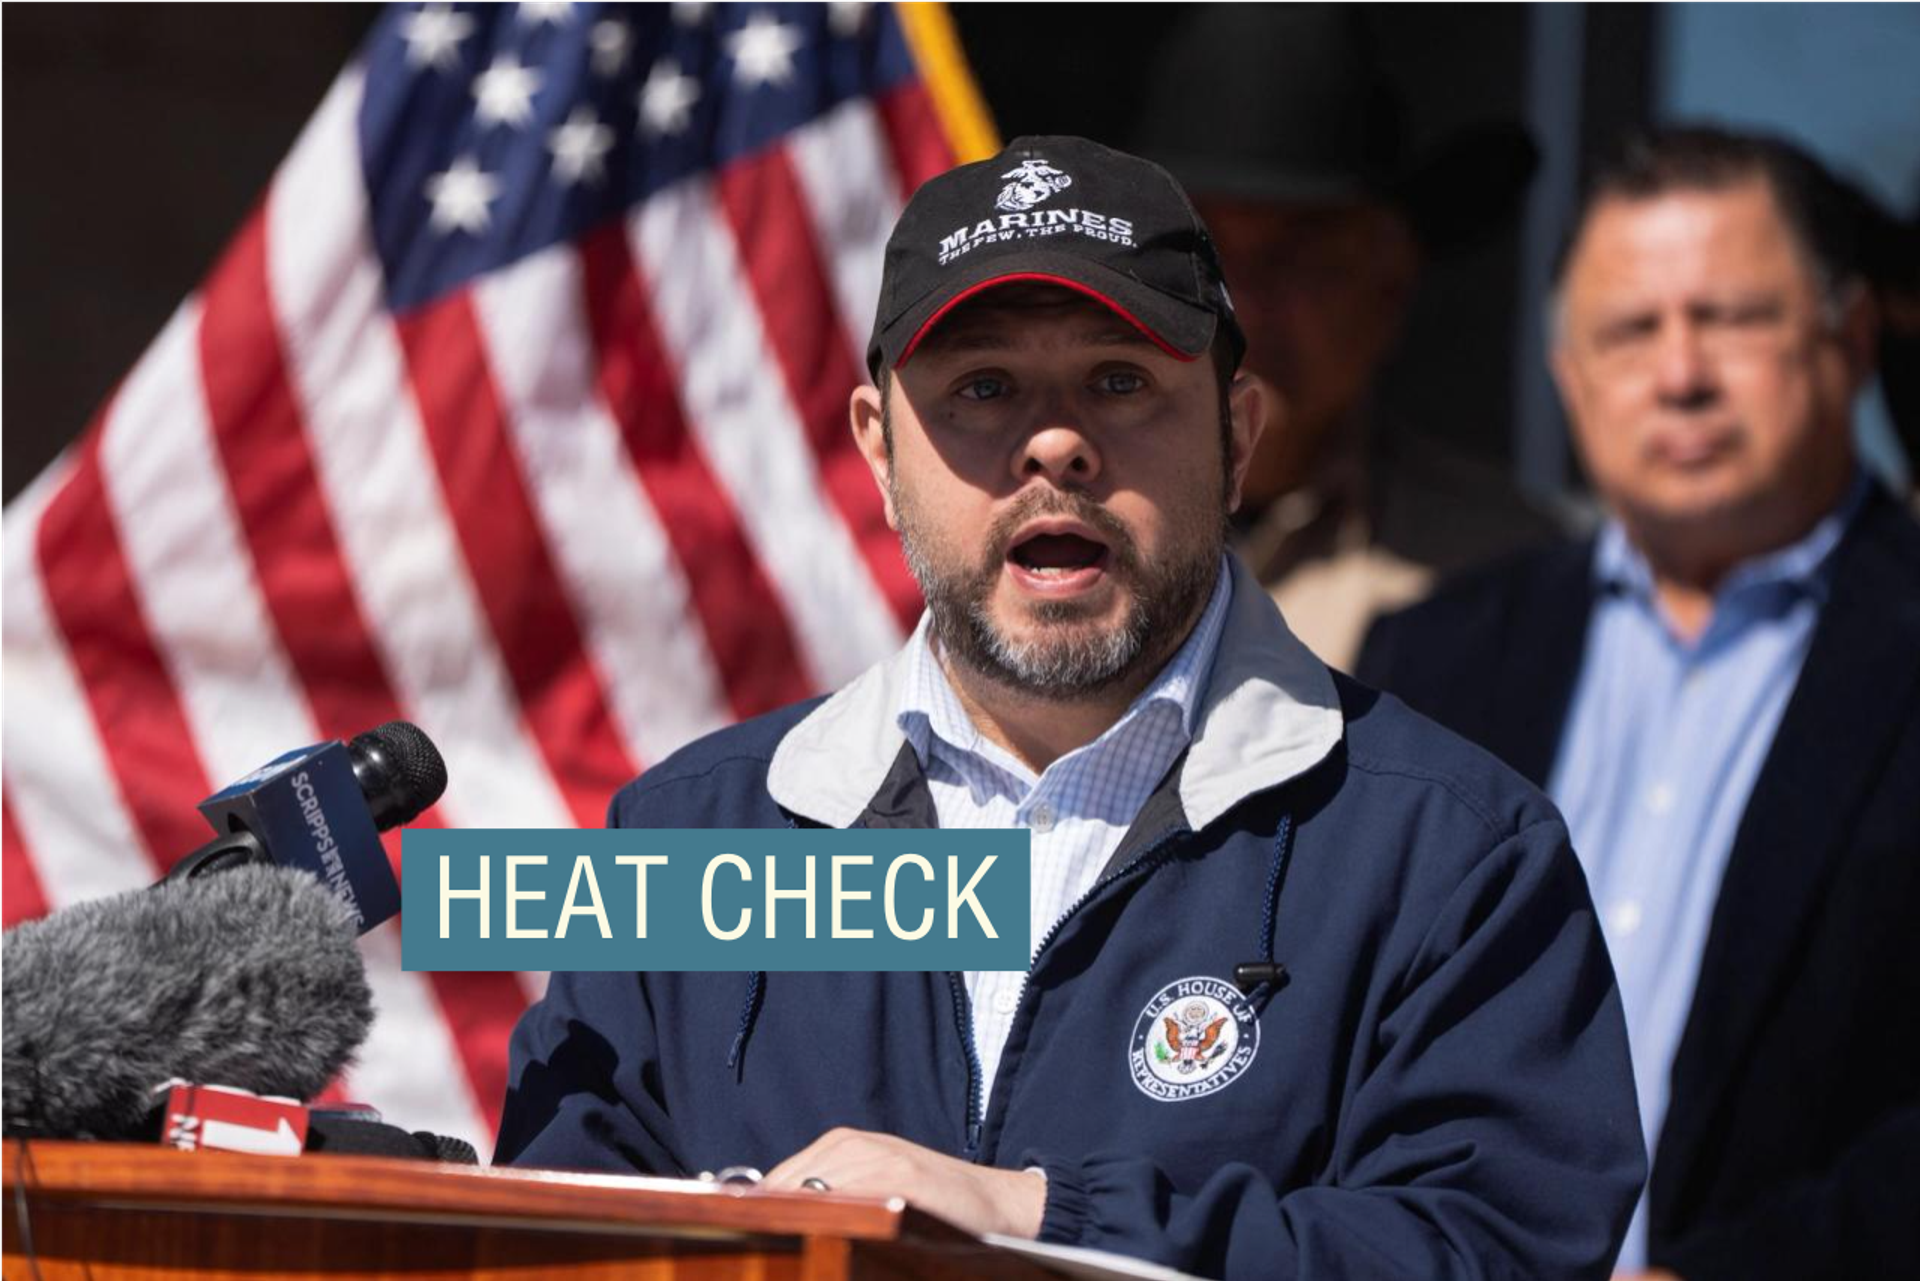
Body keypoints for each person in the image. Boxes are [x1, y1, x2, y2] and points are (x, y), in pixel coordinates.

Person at [497, 135, 1643, 1279]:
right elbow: (545, 1244)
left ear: (1236, 441)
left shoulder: (1453, 852)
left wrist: (1033, 1220)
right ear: (880, 453)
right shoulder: (691, 838)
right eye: (983, 388)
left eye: (1120, 381)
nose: (1055, 443)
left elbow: (1500, 1250)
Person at [1358, 127, 1920, 1280]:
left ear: (1850, 338)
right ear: (1570, 378)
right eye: (1629, 332)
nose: (1680, 374)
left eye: (1733, 318)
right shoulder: (1434, 656)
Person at [1134, 1, 1562, 669]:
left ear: (1389, 284)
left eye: (1298, 259)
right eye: (1201, 255)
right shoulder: (1029, 529)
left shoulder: (1508, 574)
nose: (1241, 304)